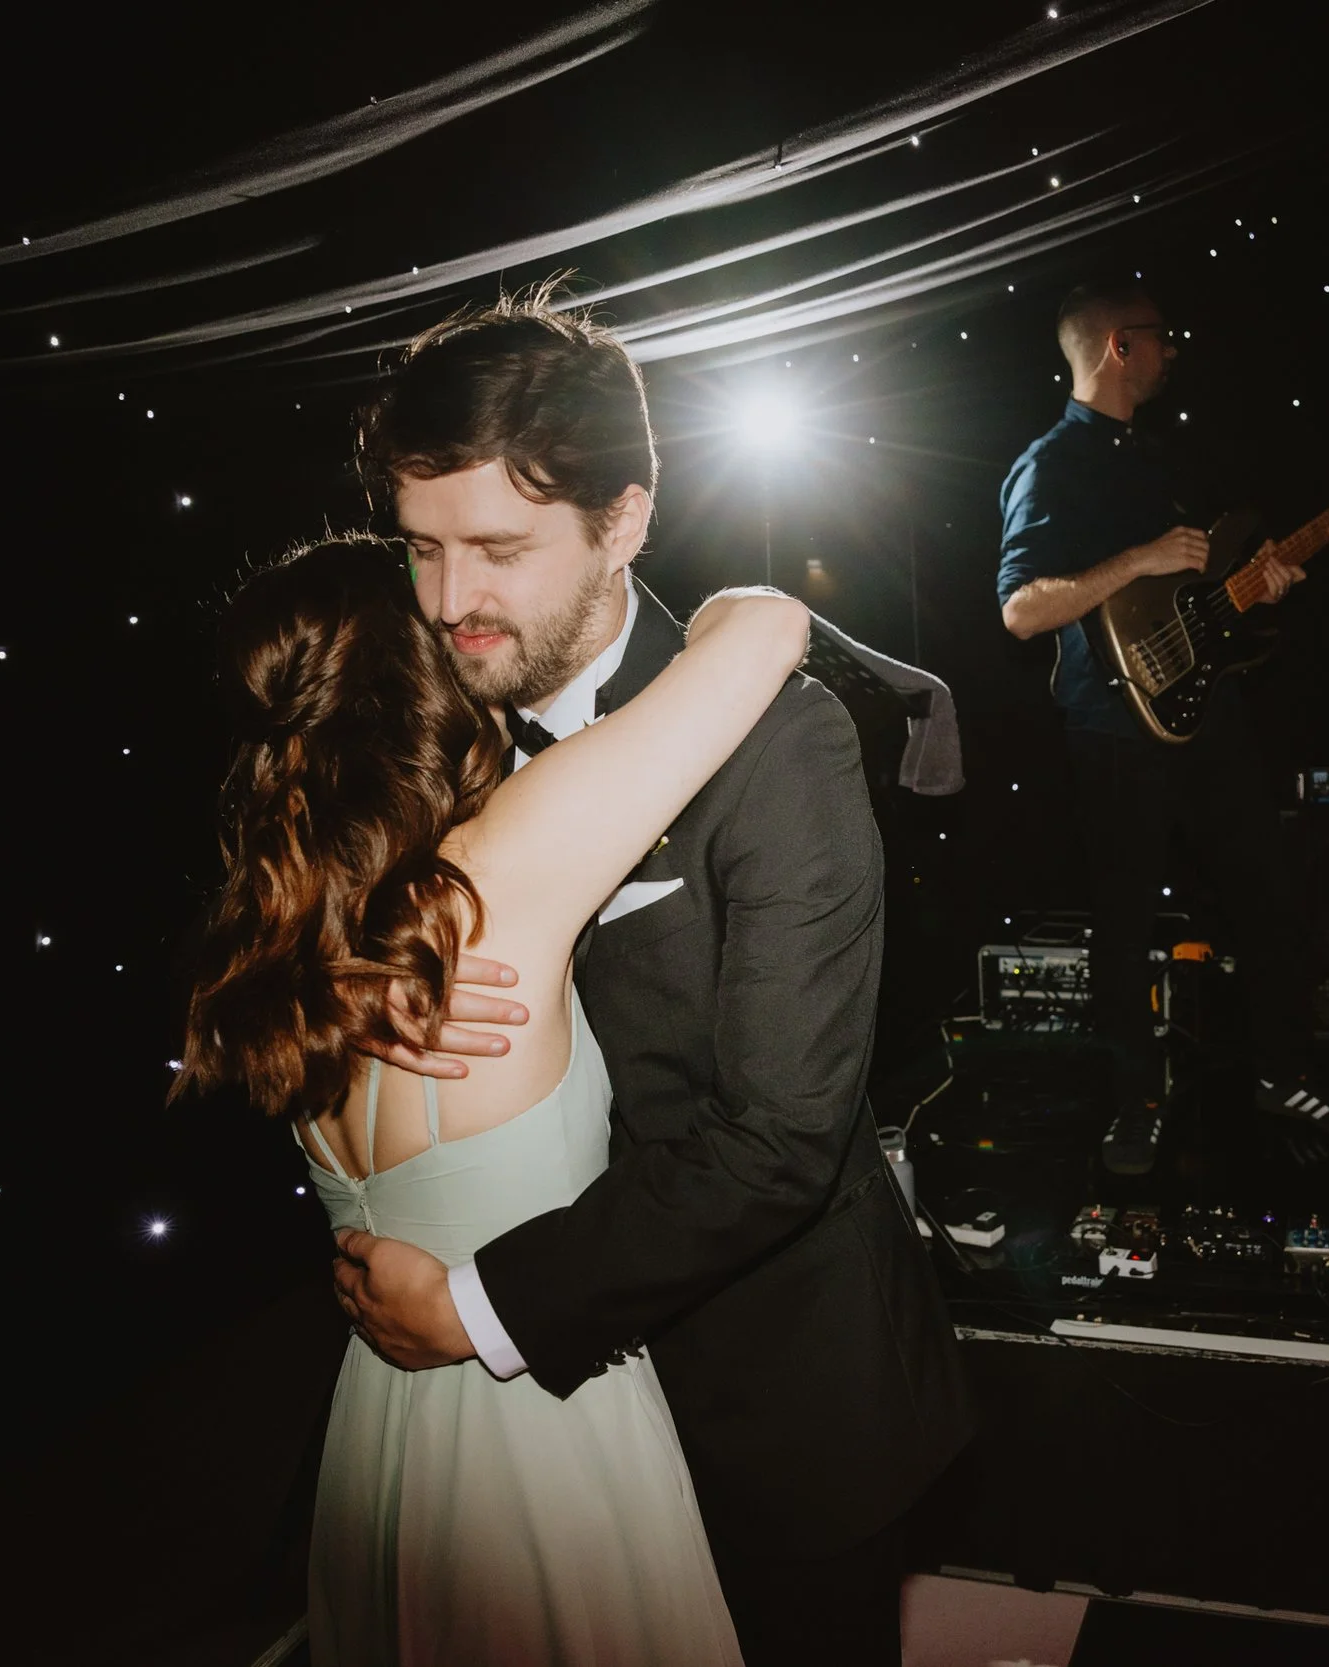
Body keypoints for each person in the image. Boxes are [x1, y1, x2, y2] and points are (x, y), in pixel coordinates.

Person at [322, 292, 971, 1666]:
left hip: (768, 1396)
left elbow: (780, 1137)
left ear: (624, 520)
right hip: (537, 1437)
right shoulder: (419, 718)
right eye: (423, 547)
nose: (448, 601)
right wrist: (349, 994)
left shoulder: (780, 738)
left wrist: (476, 1309)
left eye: (501, 549)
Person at [176, 534, 803, 1663]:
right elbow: (767, 627)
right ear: (427, 678)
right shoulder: (494, 872)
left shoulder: (296, 957)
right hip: (542, 1440)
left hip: (379, 1436)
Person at [996, 277, 1329, 1174]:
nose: (1172, 351)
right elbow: (1020, 610)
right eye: (1159, 336)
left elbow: (1203, 600)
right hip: (1112, 724)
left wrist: (1258, 588)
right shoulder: (1052, 464)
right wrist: (1138, 557)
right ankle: (1134, 1103)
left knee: (1270, 892)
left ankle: (1284, 1075)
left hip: (1211, 714)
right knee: (1124, 923)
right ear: (1118, 346)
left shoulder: (1164, 459)